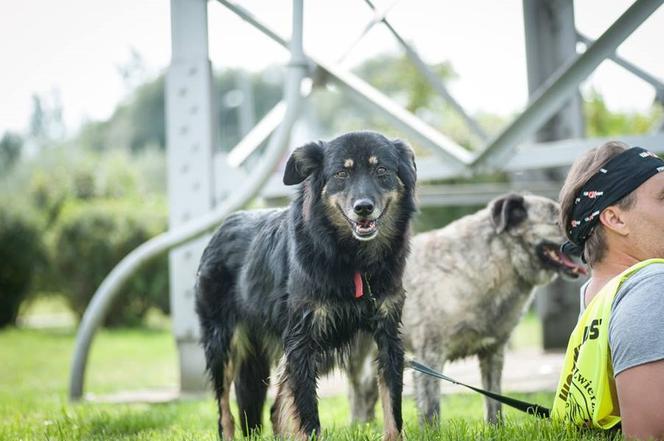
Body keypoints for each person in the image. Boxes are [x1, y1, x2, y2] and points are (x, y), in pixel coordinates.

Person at [552, 141, 664, 439]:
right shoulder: (652, 286)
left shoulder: (597, 296)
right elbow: (649, 433)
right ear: (615, 218)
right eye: (663, 198)